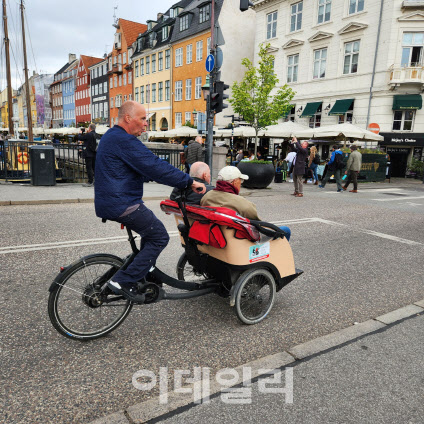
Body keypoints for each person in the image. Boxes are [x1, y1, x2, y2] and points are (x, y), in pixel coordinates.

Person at [95, 101, 205, 302]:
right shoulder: (124, 140)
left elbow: (128, 169)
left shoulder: (111, 136)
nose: (146, 124)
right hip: (122, 203)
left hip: (110, 201)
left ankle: (142, 272)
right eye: (143, 119)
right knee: (159, 236)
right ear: (128, 118)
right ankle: (122, 281)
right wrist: (189, 182)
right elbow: (155, 166)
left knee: (150, 233)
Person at [200, 166, 291, 241]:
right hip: (239, 243)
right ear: (235, 182)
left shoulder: (206, 197)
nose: (241, 184)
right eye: (241, 181)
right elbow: (260, 225)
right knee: (285, 230)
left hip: (215, 239)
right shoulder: (242, 203)